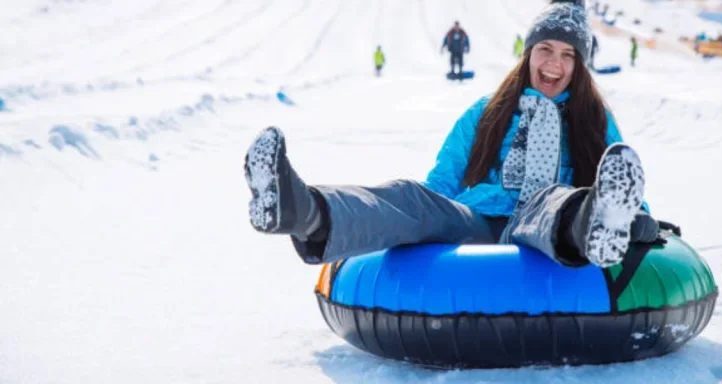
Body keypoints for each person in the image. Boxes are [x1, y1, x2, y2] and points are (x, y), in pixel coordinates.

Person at [242, 0, 659, 269]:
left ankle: (591, 225)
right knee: (411, 197)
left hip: (547, 225)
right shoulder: (487, 111)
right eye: (546, 49)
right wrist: (419, 216)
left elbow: (619, 187)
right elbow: (442, 181)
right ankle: (303, 210)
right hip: (478, 220)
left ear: (580, 66)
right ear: (528, 53)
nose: (555, 64)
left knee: (552, 200)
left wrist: (635, 217)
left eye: (568, 55)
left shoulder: (592, 118)